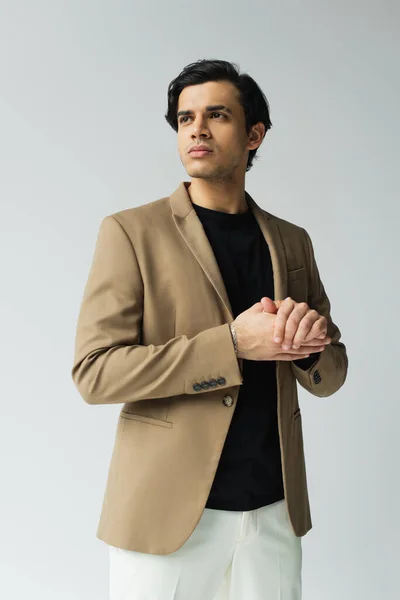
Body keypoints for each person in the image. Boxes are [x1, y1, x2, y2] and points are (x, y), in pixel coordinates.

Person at [71, 58, 348, 600]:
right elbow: (94, 373)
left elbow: (331, 371)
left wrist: (308, 347)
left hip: (272, 509)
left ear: (254, 134)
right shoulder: (131, 233)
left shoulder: (292, 241)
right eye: (184, 118)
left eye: (216, 114)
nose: (196, 129)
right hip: (166, 516)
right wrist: (231, 345)